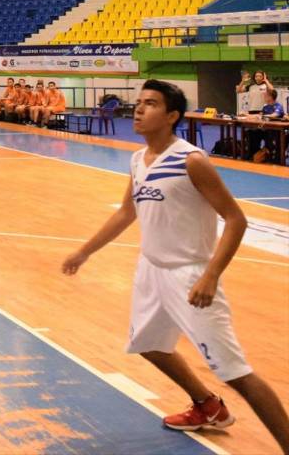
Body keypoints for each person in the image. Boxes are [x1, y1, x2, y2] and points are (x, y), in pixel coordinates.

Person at [62, 79, 289, 450]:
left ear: (171, 116)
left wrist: (211, 275)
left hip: (191, 276)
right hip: (151, 271)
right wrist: (84, 251)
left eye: (150, 104)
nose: (139, 109)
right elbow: (125, 212)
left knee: (236, 373)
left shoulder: (191, 161)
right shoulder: (138, 160)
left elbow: (236, 219)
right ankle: (207, 407)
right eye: (139, 102)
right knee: (149, 344)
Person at [242, 87, 285, 163]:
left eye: (265, 96)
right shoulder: (265, 106)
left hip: (275, 131)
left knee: (269, 136)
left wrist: (262, 117)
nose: (264, 97)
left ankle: (272, 157)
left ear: (270, 97)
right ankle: (254, 153)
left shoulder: (278, 106)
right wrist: (247, 115)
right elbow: (259, 115)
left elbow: (274, 115)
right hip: (265, 130)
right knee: (252, 133)